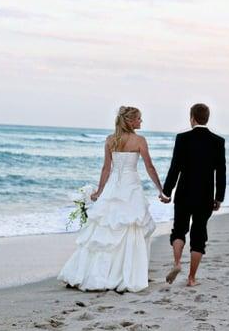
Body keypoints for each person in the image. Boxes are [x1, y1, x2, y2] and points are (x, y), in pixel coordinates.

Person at [58, 106, 167, 292]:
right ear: (131, 121)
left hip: (113, 188)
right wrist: (161, 189)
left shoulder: (111, 140)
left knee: (106, 232)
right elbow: (150, 167)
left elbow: (106, 169)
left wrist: (100, 192)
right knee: (129, 229)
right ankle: (127, 273)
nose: (141, 121)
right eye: (139, 119)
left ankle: (94, 273)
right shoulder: (139, 140)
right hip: (131, 187)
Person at [160, 103, 226, 286]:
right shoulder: (218, 141)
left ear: (192, 118)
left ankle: (177, 263)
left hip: (184, 193)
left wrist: (166, 192)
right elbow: (221, 172)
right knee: (199, 235)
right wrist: (219, 197)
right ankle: (191, 278)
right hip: (205, 196)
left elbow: (175, 168)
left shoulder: (182, 138)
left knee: (179, 230)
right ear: (207, 118)